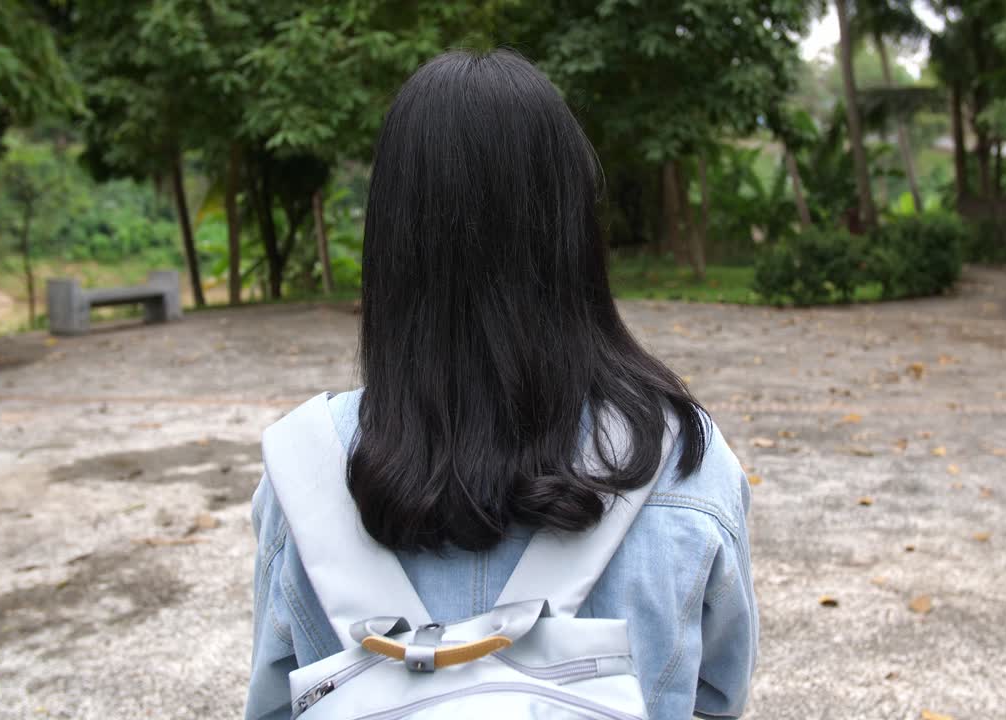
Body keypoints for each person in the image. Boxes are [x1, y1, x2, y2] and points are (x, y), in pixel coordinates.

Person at [246, 49, 758, 720]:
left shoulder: (304, 471)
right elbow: (714, 698)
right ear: (574, 231)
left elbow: (278, 705)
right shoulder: (683, 463)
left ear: (393, 240)